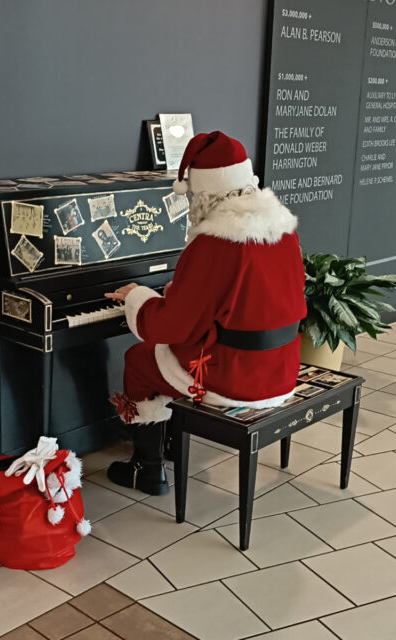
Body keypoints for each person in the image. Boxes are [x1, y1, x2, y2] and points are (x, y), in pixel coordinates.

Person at [104, 131, 307, 496]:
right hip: (281, 368)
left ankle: (146, 469)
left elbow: (171, 326)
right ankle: (168, 441)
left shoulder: (215, 242)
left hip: (236, 377)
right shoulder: (283, 228)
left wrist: (138, 297)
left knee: (138, 359)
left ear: (205, 192)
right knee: (160, 357)